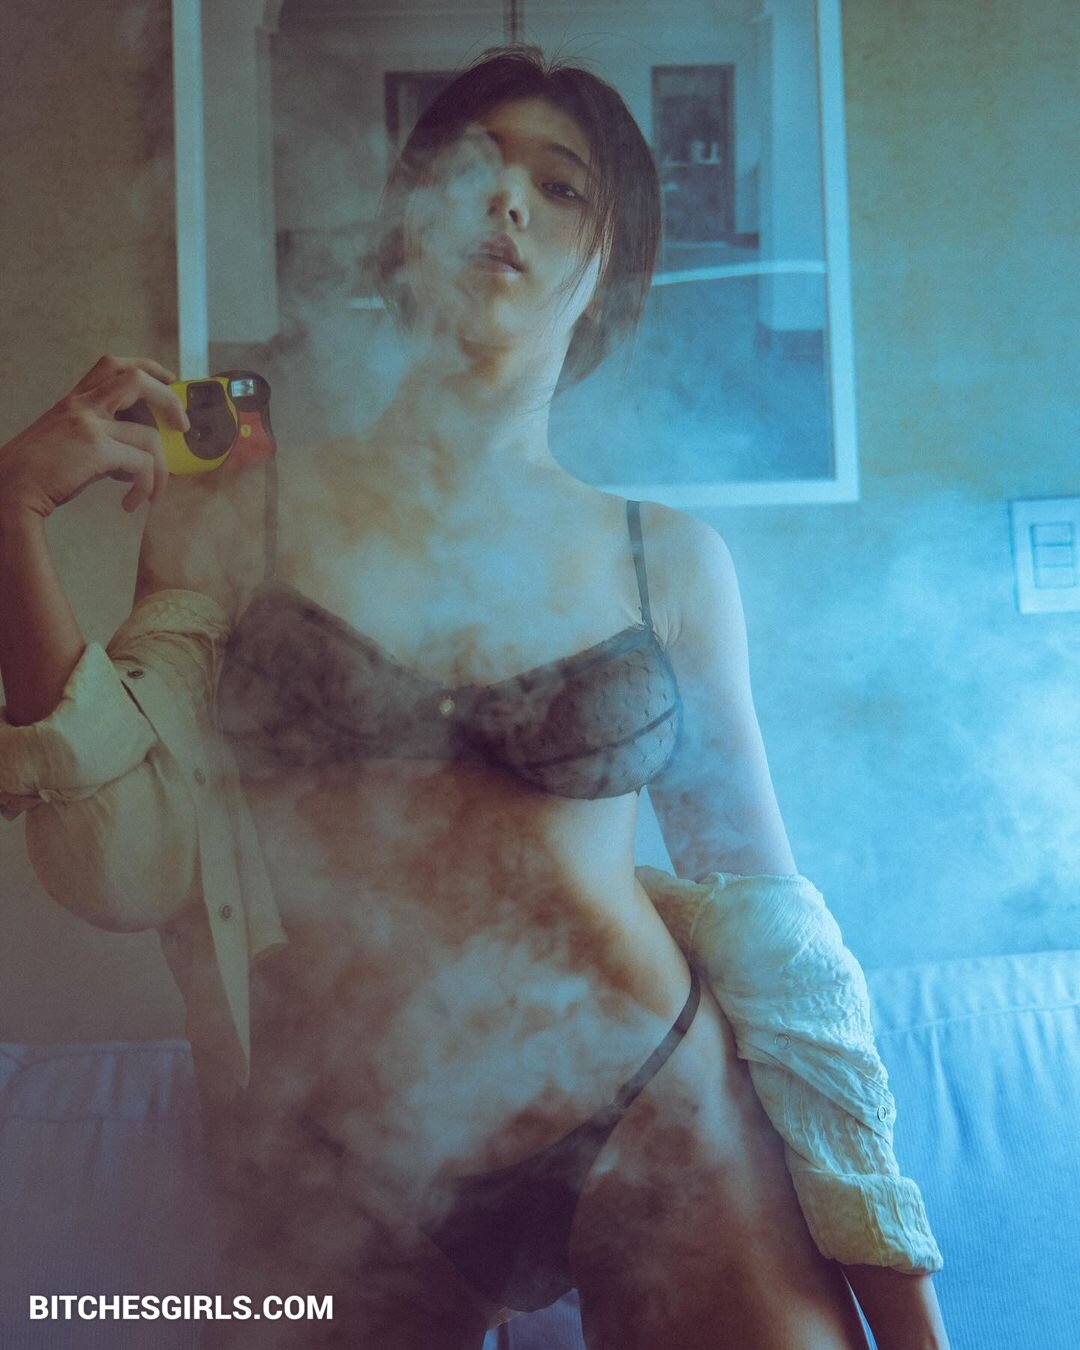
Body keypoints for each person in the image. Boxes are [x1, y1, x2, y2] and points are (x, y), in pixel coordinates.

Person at [0, 46, 949, 1350]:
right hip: (339, 1147)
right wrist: (12, 517)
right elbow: (118, 864)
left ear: (609, 271)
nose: (507, 200)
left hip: (653, 1100)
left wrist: (906, 1309)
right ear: (402, 222)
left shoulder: (666, 559)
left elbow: (776, 937)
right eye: (473, 165)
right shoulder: (232, 518)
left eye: (561, 188)